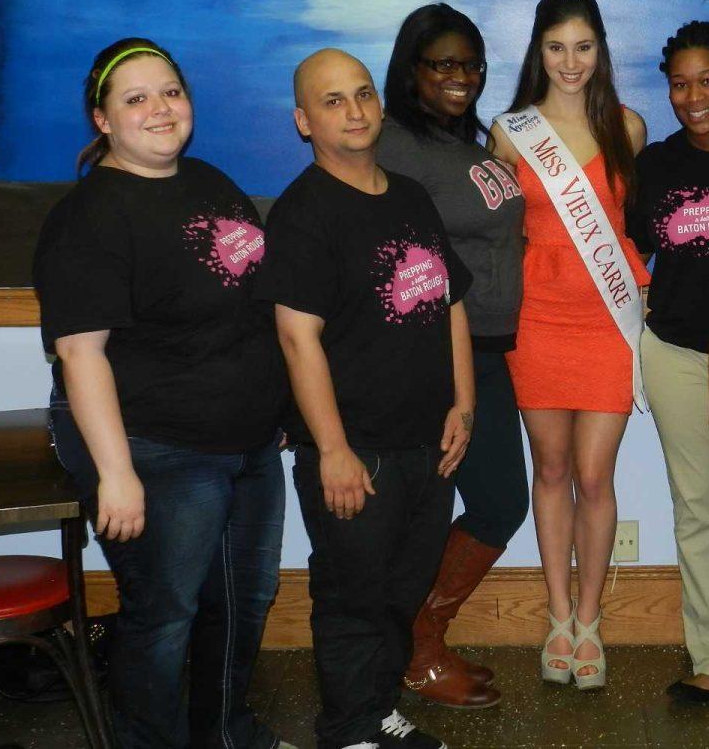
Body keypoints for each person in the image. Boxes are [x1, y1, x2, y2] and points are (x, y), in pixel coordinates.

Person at [34, 37, 290, 748]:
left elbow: (253, 300)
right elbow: (81, 354)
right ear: (103, 120)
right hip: (156, 448)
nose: (159, 109)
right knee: (165, 615)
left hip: (246, 442)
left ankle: (228, 735)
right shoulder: (90, 218)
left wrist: (278, 407)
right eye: (136, 98)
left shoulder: (210, 181)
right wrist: (116, 474)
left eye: (170, 92)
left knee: (244, 601)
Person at [255, 48, 473, 749]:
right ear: (303, 121)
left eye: (363, 94)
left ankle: (376, 708)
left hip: (426, 444)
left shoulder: (410, 197)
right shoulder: (303, 214)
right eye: (332, 101)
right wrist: (334, 451)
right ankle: (349, 731)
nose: (353, 111)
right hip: (357, 453)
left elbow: (450, 303)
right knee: (353, 598)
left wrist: (463, 405)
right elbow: (296, 339)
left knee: (401, 592)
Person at [488, 0, 649, 690]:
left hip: (607, 322)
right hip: (538, 320)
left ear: (601, 50)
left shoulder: (629, 129)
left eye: (584, 46)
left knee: (594, 474)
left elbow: (638, 224)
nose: (571, 62)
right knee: (550, 470)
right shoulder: (511, 132)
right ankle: (556, 616)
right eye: (557, 47)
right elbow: (493, 234)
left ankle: (591, 618)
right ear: (538, 50)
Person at [379, 3, 528, 709]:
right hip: (437, 357)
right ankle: (416, 648)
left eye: (471, 64)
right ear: (412, 70)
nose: (461, 76)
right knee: (486, 503)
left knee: (493, 502)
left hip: (488, 353)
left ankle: (418, 642)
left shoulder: (464, 147)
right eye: (443, 63)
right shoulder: (393, 144)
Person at [625, 21, 709, 702]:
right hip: (676, 351)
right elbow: (631, 256)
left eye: (708, 80)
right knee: (698, 507)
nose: (694, 97)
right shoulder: (657, 165)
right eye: (679, 84)